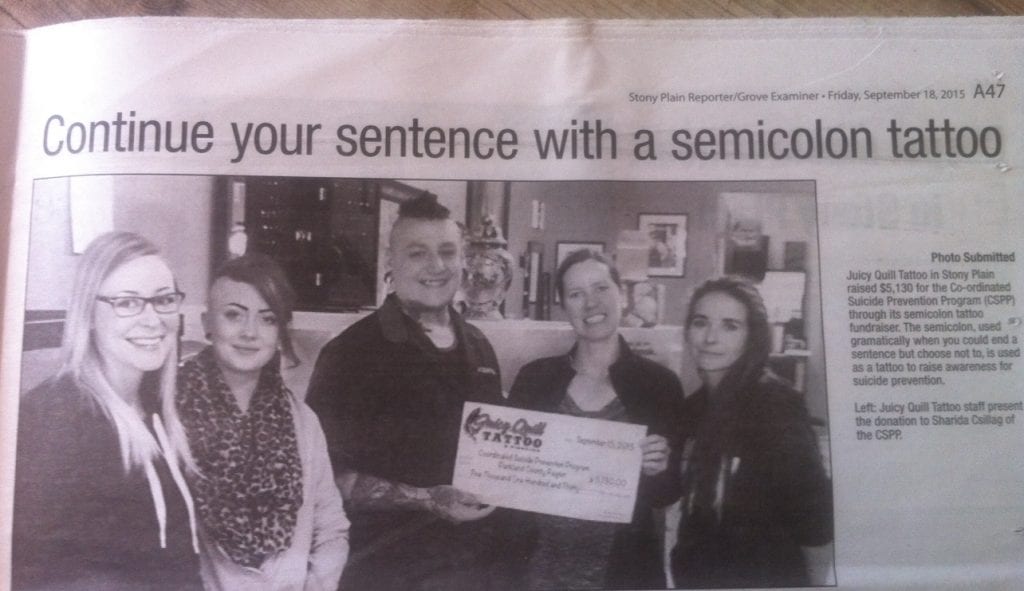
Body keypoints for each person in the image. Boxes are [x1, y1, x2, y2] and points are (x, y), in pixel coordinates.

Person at [306, 194, 529, 590]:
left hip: (481, 564)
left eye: (447, 251)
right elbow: (323, 479)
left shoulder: (479, 346)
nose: (436, 266)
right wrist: (428, 498)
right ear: (390, 261)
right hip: (388, 566)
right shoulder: (350, 353)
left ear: (462, 259)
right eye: (417, 253)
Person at [12, 231, 202, 590]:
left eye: (164, 299)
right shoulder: (53, 417)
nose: (152, 319)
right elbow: (37, 572)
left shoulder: (159, 408)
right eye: (127, 303)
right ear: (89, 314)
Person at [509, 249, 685, 589]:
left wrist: (659, 469)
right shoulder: (534, 379)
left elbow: (666, 495)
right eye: (576, 294)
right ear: (564, 306)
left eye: (601, 288)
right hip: (537, 574)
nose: (591, 303)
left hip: (623, 574)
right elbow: (507, 480)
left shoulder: (659, 385)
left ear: (622, 295)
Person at [176, 253, 349, 591]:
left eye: (267, 319)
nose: (250, 332)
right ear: (207, 323)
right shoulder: (169, 413)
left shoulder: (303, 421)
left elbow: (331, 529)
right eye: (233, 315)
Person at [671, 276, 832, 588]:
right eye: (701, 322)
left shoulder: (774, 403)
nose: (710, 338)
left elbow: (816, 523)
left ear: (752, 337)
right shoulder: (693, 408)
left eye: (730, 326)